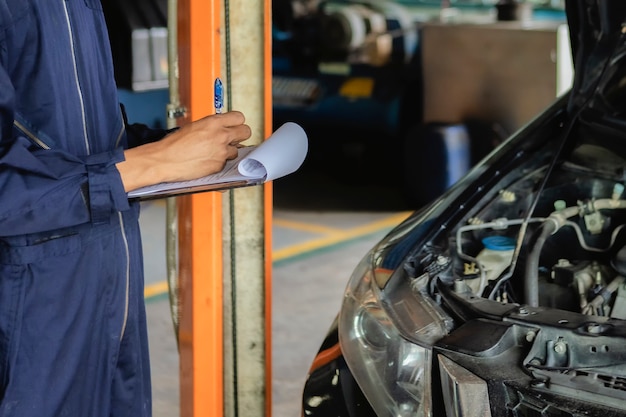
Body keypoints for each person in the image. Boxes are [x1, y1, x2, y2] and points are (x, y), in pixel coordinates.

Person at [0, 1, 251, 416]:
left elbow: (79, 143)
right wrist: (155, 163)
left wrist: (183, 152)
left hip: (111, 295)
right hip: (35, 320)